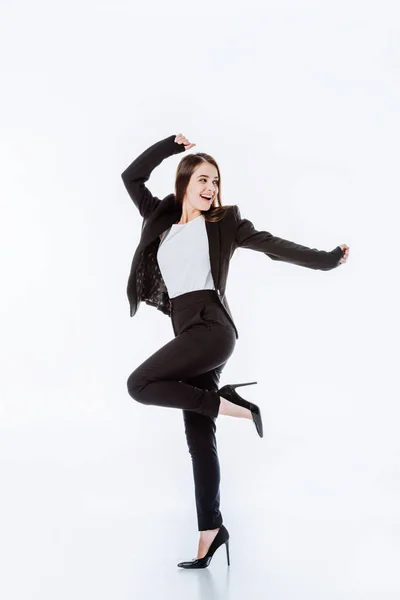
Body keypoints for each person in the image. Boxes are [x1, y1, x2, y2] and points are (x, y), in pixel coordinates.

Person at [120, 133, 350, 569]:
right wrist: (171, 145)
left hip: (211, 328)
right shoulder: (160, 216)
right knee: (198, 437)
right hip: (187, 330)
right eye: (204, 179)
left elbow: (272, 245)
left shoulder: (225, 221)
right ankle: (211, 530)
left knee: (141, 384)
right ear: (185, 181)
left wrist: (324, 259)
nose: (211, 188)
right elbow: (131, 176)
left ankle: (230, 405)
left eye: (216, 182)